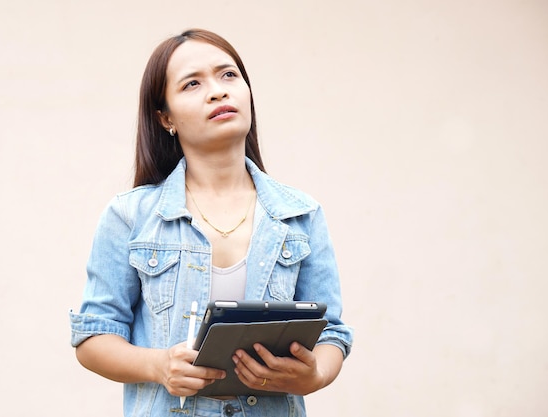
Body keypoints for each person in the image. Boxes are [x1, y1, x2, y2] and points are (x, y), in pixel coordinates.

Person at [70, 28, 353, 417]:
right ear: (165, 117)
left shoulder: (302, 215)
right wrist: (157, 366)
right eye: (191, 84)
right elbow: (93, 337)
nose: (218, 91)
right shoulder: (128, 217)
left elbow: (332, 333)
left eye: (228, 75)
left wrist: (315, 374)